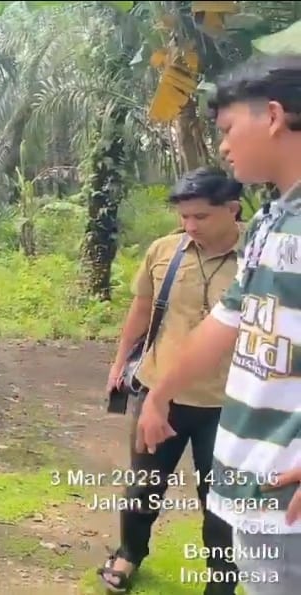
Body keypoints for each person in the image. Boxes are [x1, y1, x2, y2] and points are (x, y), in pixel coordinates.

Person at [136, 54, 301, 595]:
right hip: (254, 475)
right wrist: (160, 393)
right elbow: (227, 321)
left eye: (229, 130)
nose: (224, 147)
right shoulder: (272, 218)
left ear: (273, 116)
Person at [97, 168, 245, 594]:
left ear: (232, 210)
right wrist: (119, 363)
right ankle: (128, 553)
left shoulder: (260, 255)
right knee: (144, 485)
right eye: (185, 217)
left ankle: (221, 580)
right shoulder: (165, 250)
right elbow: (142, 311)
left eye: (201, 216)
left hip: (229, 402)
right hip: (159, 393)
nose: (190, 226)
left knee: (220, 500)